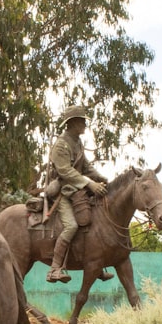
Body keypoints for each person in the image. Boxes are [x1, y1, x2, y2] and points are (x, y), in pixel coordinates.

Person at [45, 105, 109, 283]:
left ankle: (97, 264)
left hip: (79, 190)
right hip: (64, 193)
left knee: (95, 217)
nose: (85, 125)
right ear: (73, 123)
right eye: (82, 121)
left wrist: (100, 178)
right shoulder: (61, 145)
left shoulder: (77, 142)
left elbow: (86, 167)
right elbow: (65, 171)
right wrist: (90, 183)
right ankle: (55, 269)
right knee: (71, 226)